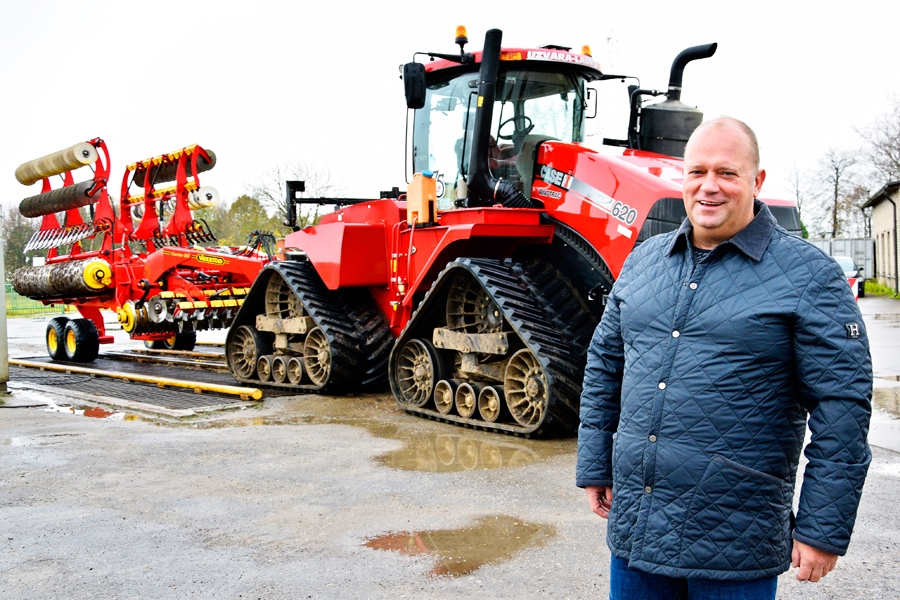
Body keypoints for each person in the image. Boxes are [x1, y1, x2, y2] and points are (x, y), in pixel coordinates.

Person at [576, 117, 872, 600]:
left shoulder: (809, 276)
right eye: (697, 172)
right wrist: (595, 464)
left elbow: (842, 410)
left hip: (733, 539)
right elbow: (604, 365)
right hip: (637, 527)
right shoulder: (645, 261)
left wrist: (822, 528)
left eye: (727, 173)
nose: (708, 186)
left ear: (757, 181)